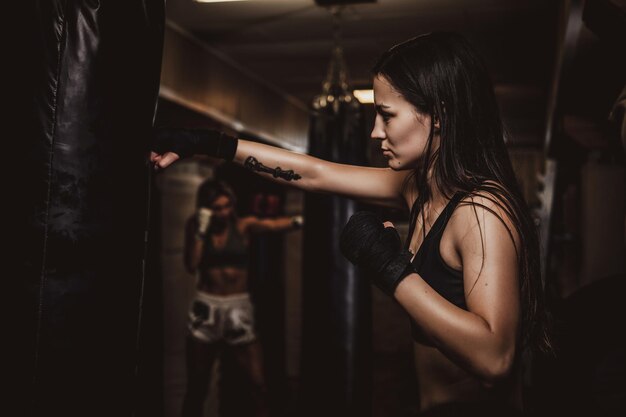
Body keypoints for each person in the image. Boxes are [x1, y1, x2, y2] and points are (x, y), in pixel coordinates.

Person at [152, 32, 552, 416]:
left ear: (440, 116)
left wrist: (393, 271)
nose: (376, 131)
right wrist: (209, 144)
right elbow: (315, 174)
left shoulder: (480, 210)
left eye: (386, 115)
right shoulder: (419, 189)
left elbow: (495, 357)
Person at [181, 179, 303, 417]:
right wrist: (200, 230)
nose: (224, 212)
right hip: (206, 307)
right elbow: (192, 264)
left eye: (227, 206)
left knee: (258, 383)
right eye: (217, 208)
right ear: (205, 209)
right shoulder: (196, 226)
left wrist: (301, 221)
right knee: (197, 387)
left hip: (238, 307)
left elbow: (273, 225)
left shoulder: (242, 225)